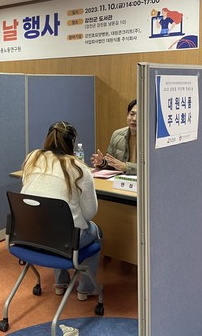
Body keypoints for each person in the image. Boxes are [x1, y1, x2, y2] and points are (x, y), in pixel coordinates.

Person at [21, 121, 101, 301]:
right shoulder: (78, 167)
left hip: (29, 236)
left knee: (53, 223)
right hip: (62, 241)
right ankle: (86, 289)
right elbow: (89, 213)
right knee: (94, 232)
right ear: (72, 142)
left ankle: (60, 283)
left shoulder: (33, 158)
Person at [91, 99, 137, 175]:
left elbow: (152, 168)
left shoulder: (151, 140)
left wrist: (125, 167)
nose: (134, 119)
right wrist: (102, 162)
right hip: (120, 180)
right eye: (132, 114)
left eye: (139, 115)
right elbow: (112, 164)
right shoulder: (117, 135)